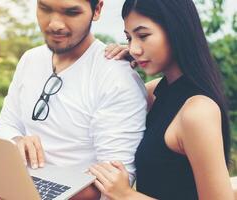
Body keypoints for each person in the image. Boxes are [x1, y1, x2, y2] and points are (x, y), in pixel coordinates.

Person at [0, 0, 147, 199]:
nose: (55, 24)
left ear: (96, 10)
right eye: (45, 8)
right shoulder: (30, 59)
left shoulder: (116, 77)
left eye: (71, 12)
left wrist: (24, 194)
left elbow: (115, 182)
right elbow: (7, 123)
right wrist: (15, 143)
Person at [89, 0, 234, 199]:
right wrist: (121, 63)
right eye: (129, 38)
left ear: (177, 29)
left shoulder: (198, 110)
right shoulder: (158, 91)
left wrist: (126, 195)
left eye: (143, 36)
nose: (134, 48)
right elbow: (110, 99)